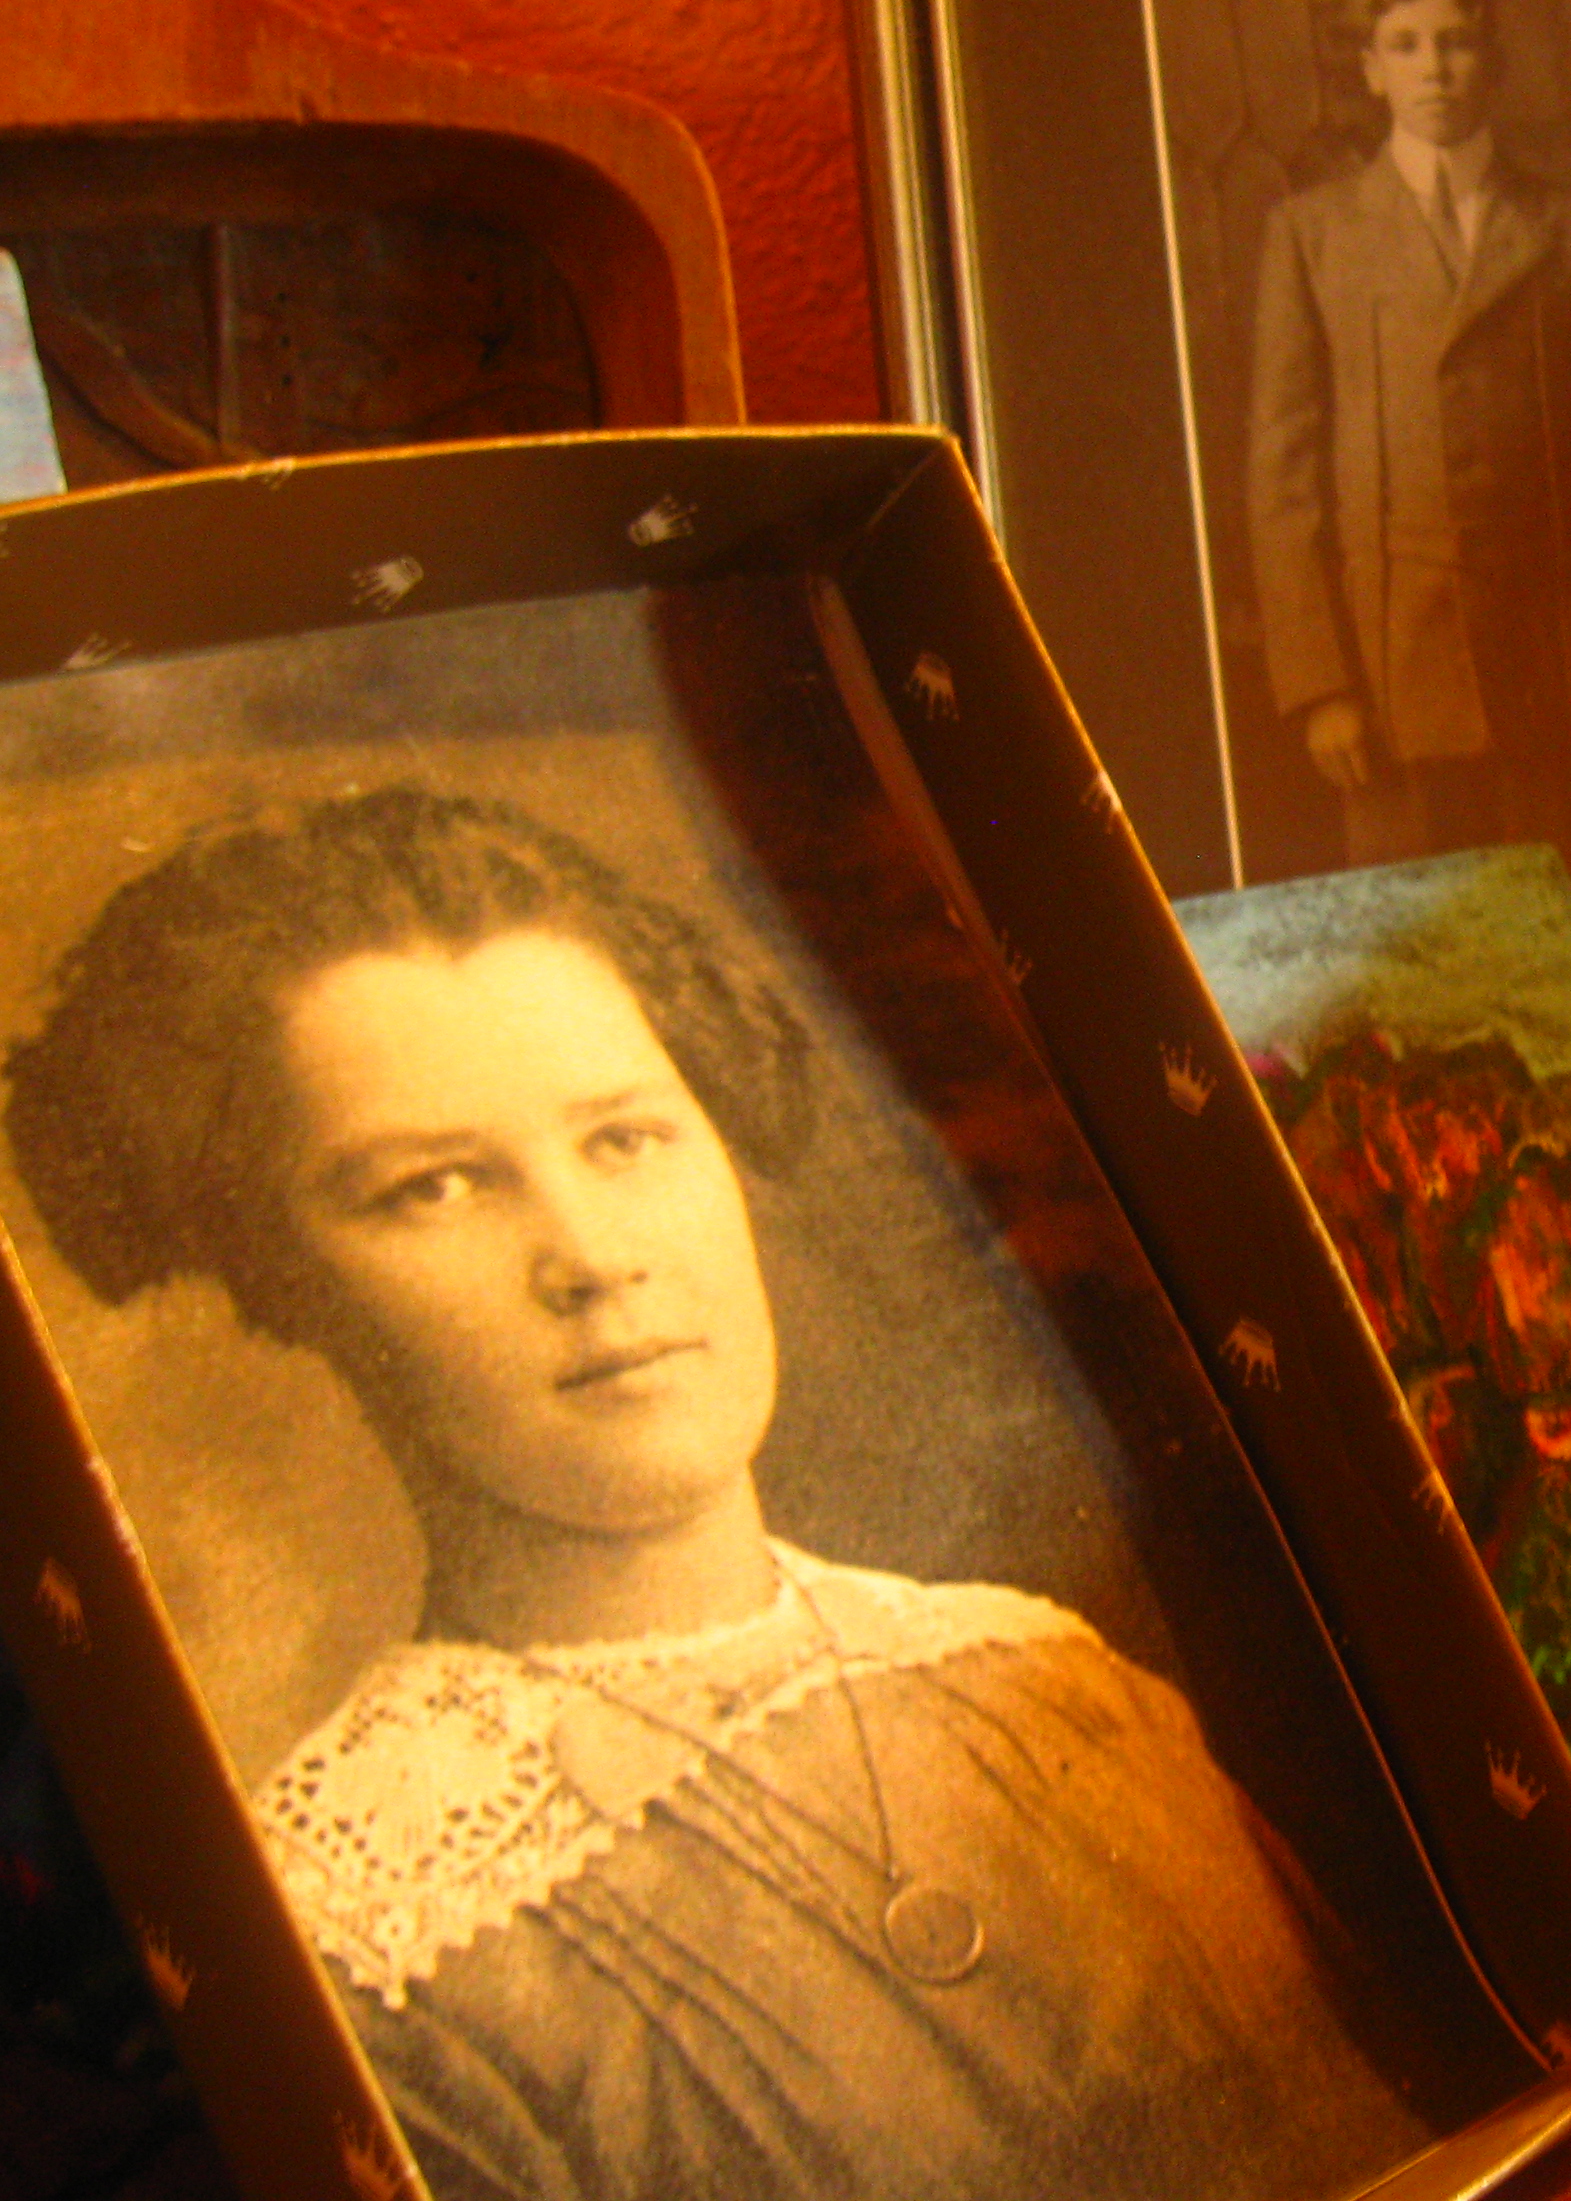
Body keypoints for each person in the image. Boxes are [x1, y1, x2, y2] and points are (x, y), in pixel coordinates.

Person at [3, 786, 1429, 2201]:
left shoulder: (1058, 1683)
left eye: (625, 1140)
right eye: (432, 1187)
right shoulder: (363, 1950)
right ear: (283, 1285)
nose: (590, 1256)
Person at [1247, 0, 1571, 868]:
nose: (1433, 68)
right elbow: (1283, 477)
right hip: (1387, 670)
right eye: (1405, 45)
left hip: (1545, 668)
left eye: (1457, 43)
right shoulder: (1313, 234)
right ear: (1372, 70)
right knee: (1412, 934)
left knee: (1545, 929)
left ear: (1494, 62)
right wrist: (1320, 686)